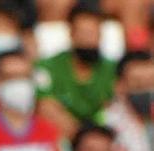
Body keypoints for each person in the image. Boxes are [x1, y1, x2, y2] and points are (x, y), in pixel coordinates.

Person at [35, 2, 117, 138]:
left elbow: (113, 108)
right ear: (71, 33)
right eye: (84, 33)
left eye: (93, 33)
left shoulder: (111, 69)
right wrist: (82, 138)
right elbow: (46, 108)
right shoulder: (48, 67)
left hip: (103, 137)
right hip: (64, 137)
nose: (89, 40)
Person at [105, 50, 154, 151]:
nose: (147, 90)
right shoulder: (106, 124)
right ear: (119, 86)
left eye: (151, 83)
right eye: (138, 84)